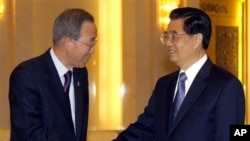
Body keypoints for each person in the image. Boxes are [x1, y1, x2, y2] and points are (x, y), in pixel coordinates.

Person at [113, 7, 245, 141]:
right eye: (167, 36)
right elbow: (143, 129)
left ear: (197, 40)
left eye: (174, 36)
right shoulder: (164, 85)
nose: (168, 43)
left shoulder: (226, 86)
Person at [9, 8, 97, 141]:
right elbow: (30, 133)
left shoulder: (80, 74)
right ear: (68, 42)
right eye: (89, 43)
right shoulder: (27, 76)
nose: (92, 50)